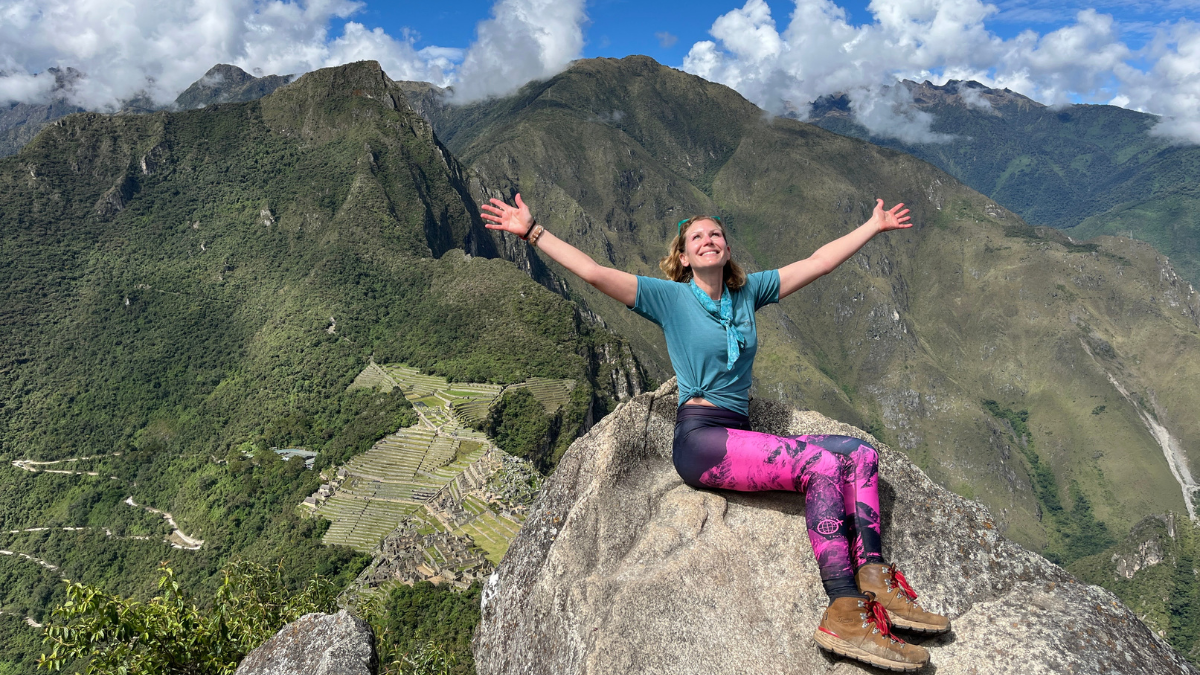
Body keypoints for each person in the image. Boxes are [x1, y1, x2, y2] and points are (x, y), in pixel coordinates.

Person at [481, 194, 950, 672]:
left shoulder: (747, 293)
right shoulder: (670, 298)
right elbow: (596, 273)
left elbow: (819, 263)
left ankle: (872, 575)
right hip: (701, 440)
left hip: (739, 435)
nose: (708, 240)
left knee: (861, 456)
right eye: (697, 237)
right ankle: (845, 610)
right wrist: (532, 231)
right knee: (823, 465)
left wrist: (872, 226)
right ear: (683, 256)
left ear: (727, 249)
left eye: (716, 234)